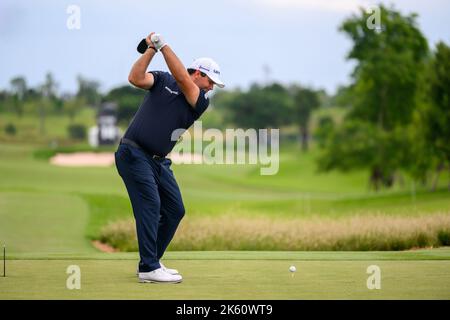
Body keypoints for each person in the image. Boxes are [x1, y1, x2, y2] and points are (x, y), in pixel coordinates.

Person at [114, 32, 225, 283]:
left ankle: (152, 262)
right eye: (210, 82)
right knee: (151, 206)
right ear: (199, 73)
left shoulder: (199, 100)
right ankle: (149, 267)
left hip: (158, 161)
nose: (211, 88)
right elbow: (135, 78)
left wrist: (163, 45)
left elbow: (183, 79)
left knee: (175, 210)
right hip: (133, 152)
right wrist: (151, 49)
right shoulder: (163, 79)